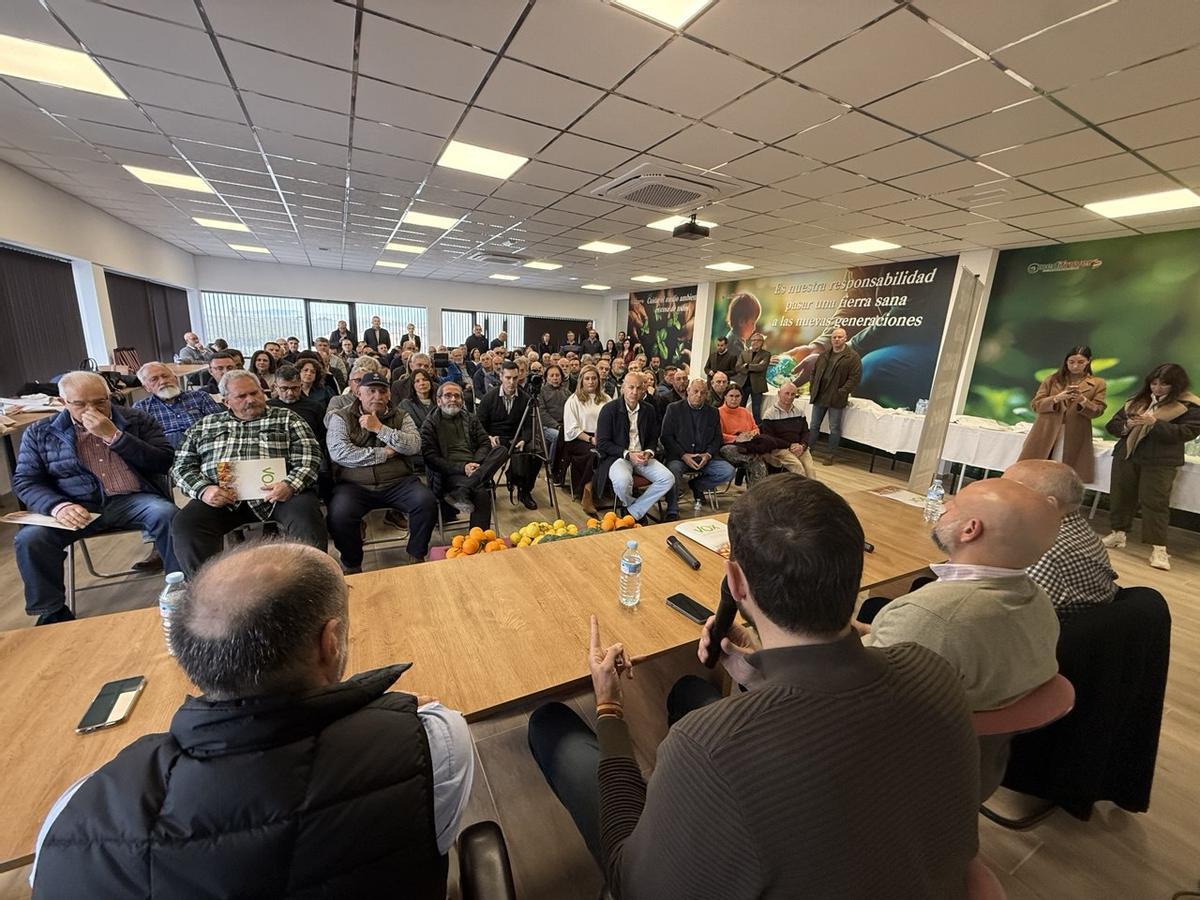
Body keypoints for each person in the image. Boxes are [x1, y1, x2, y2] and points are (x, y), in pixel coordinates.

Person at [526, 476, 980, 897]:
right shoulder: (934, 670)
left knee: (550, 725)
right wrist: (761, 674)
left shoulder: (706, 748)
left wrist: (608, 706)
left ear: (736, 582)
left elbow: (633, 885)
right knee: (689, 691)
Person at [29, 540, 472, 896]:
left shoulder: (71, 815)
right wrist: (389, 709)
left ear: (186, 651)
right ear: (331, 642)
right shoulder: (429, 742)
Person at [860, 478, 1061, 797]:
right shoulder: (1035, 599)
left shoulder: (933, 614)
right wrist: (864, 631)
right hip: (978, 763)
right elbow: (945, 650)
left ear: (970, 529)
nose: (943, 507)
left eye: (952, 504)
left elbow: (854, 698)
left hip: (902, 774)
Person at [13, 371, 179, 625]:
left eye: (100, 402)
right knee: (30, 539)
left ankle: (181, 591)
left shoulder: (137, 419)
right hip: (76, 505)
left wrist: (115, 436)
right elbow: (26, 480)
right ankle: (52, 611)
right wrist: (57, 506)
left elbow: (163, 461)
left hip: (133, 499)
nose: (91, 410)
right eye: (80, 404)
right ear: (63, 402)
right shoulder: (40, 432)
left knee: (168, 515)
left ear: (109, 397)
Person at [170, 371, 326, 576]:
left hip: (280, 495)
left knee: (306, 515)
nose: (250, 400)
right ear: (226, 401)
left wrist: (290, 484)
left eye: (255, 393)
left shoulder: (287, 419)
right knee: (186, 524)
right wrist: (203, 490)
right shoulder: (204, 426)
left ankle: (313, 578)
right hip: (223, 498)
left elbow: (310, 457)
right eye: (241, 396)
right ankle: (206, 584)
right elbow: (181, 466)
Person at [327, 374, 436, 571]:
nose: (377, 396)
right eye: (371, 391)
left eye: (382, 391)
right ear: (359, 393)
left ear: (389, 395)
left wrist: (380, 429)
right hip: (355, 485)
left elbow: (414, 445)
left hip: (398, 481)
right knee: (339, 514)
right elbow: (340, 453)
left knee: (425, 501)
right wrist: (384, 453)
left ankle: (416, 554)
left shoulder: (401, 416)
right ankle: (352, 564)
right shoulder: (341, 417)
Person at [1102, 362, 1200, 570]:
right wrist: (1127, 425)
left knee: (1155, 502)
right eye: (1154, 383)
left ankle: (1159, 549)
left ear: (1176, 385)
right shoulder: (1138, 401)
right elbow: (1112, 425)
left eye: (1164, 384)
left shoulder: (1190, 405)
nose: (1157, 388)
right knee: (1120, 494)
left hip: (1160, 460)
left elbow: (1186, 433)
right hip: (1127, 455)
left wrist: (1154, 424)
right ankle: (1118, 533)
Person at [1003, 460, 1118, 620]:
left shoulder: (1042, 551)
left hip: (1057, 630)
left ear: (1048, 504)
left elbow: (1006, 616)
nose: (996, 498)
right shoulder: (1075, 529)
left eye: (1005, 491)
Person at [1018, 346, 1108, 483]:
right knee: (1034, 470)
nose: (1075, 366)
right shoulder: (1052, 380)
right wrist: (1056, 398)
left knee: (1064, 476)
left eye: (1080, 362)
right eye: (1071, 362)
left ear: (1089, 361)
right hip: (1046, 430)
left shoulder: (1098, 383)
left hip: (1075, 434)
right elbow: (1036, 405)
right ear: (1066, 361)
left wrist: (1083, 401)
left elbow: (1098, 411)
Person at [594, 373, 675, 523]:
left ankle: (632, 511)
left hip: (642, 456)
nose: (634, 392)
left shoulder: (649, 409)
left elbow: (653, 437)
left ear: (643, 390)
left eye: (638, 388)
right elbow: (602, 443)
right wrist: (627, 454)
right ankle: (634, 509)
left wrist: (649, 452)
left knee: (668, 479)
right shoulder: (609, 409)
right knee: (622, 481)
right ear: (623, 388)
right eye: (631, 387)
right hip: (618, 457)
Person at [420, 381, 500, 530]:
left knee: (501, 450)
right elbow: (431, 458)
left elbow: (484, 443)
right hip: (449, 473)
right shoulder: (430, 424)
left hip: (474, 466)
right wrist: (463, 468)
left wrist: (473, 464)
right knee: (481, 494)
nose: (453, 399)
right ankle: (478, 539)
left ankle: (467, 486)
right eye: (448, 395)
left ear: (462, 401)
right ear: (439, 400)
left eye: (457, 396)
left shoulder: (471, 418)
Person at [661, 379, 736, 515]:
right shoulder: (674, 409)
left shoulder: (713, 412)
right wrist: (683, 455)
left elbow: (717, 438)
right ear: (688, 391)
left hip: (704, 456)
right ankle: (672, 509)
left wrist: (707, 455)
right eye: (695, 391)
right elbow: (666, 437)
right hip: (680, 456)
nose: (699, 395)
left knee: (728, 471)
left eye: (702, 392)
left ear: (706, 394)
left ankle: (697, 485)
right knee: (673, 471)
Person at [477, 361, 541, 510]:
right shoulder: (489, 398)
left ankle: (525, 490)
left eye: (515, 378)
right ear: (501, 377)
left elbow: (529, 425)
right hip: (495, 438)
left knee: (536, 452)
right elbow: (479, 424)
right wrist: (488, 437)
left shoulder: (525, 399)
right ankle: (487, 485)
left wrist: (524, 439)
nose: (512, 382)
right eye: (508, 378)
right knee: (483, 451)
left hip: (516, 438)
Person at [803, 326, 861, 466]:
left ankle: (830, 455)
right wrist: (813, 387)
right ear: (831, 339)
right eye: (834, 337)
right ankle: (808, 451)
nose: (836, 339)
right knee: (814, 425)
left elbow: (855, 378)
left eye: (840, 337)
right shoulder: (824, 354)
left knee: (834, 428)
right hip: (819, 396)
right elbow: (814, 372)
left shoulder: (852, 357)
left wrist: (842, 391)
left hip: (836, 398)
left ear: (845, 338)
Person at [133, 361, 221, 449]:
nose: (163, 381)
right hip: (166, 452)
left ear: (175, 378)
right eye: (154, 379)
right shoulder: (141, 408)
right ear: (146, 388)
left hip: (203, 446)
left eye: (165, 376)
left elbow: (220, 424)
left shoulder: (200, 397)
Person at [561, 365, 609, 515]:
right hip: (579, 439)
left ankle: (605, 489)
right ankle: (587, 490)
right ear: (581, 380)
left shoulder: (606, 399)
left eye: (594, 378)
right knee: (594, 454)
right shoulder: (573, 400)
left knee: (611, 453)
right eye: (587, 378)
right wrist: (591, 439)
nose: (591, 381)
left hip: (602, 437)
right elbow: (571, 429)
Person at [760, 381, 816, 477]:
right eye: (787, 393)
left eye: (793, 394)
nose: (790, 397)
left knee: (810, 469)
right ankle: (798, 487)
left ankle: (810, 487)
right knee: (798, 468)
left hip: (799, 447)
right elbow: (770, 439)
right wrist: (789, 445)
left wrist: (802, 446)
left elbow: (805, 432)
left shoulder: (800, 412)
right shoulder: (769, 414)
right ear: (779, 394)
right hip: (779, 449)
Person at [718, 384, 767, 484]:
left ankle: (757, 490)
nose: (734, 399)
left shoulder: (745, 412)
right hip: (728, 446)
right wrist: (736, 438)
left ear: (741, 398)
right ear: (725, 397)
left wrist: (751, 434)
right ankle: (757, 491)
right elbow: (718, 435)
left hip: (748, 444)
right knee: (755, 460)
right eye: (731, 396)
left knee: (759, 460)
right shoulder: (718, 412)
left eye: (737, 396)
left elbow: (755, 428)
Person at [537, 364, 569, 472]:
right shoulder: (541, 392)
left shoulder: (566, 392)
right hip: (545, 426)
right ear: (546, 378)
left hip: (564, 425)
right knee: (557, 436)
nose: (555, 378)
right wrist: (557, 426)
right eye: (552, 375)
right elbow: (542, 413)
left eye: (557, 375)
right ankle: (551, 469)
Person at [735, 331, 771, 423]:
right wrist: (753, 366)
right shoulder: (744, 353)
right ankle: (739, 424)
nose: (755, 342)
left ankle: (757, 427)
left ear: (762, 342)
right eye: (753, 340)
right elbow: (738, 367)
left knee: (756, 410)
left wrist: (747, 366)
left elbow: (762, 367)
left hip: (757, 386)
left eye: (757, 340)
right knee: (740, 408)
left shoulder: (766, 354)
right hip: (744, 385)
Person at [724, 291, 761, 356]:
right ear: (741, 322)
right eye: (753, 323)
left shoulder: (736, 338)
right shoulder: (735, 344)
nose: (754, 328)